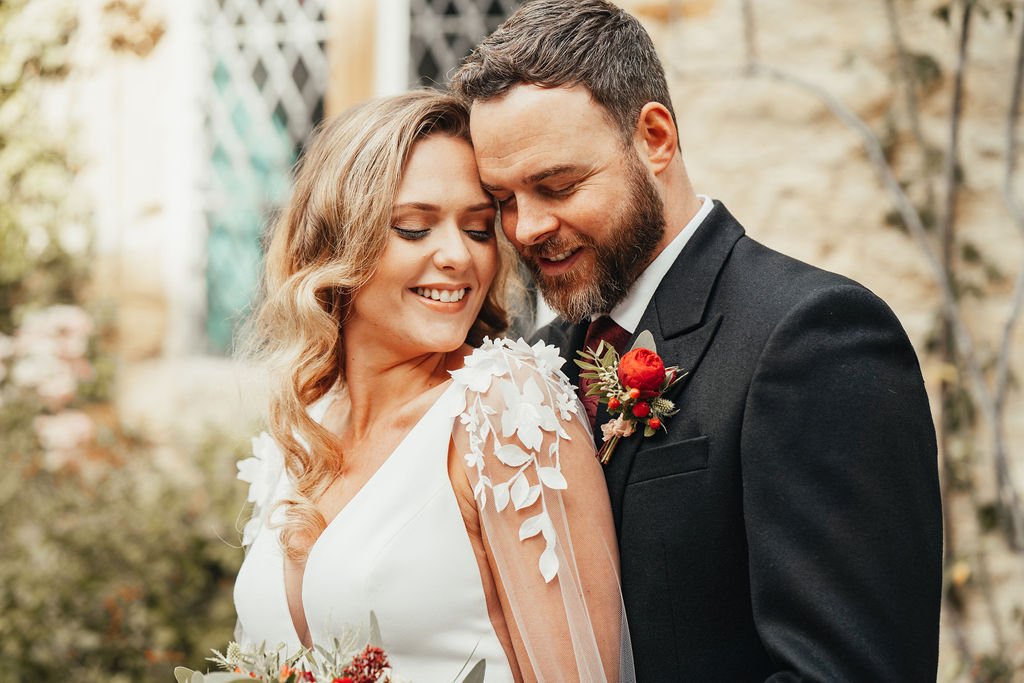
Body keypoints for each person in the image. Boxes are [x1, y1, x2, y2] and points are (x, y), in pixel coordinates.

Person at [450, 1, 943, 680]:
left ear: (655, 137)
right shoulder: (537, 370)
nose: (526, 227)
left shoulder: (815, 337)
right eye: (503, 200)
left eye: (556, 185)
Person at [231, 91, 630, 681]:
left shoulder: (505, 407)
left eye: (477, 229)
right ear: (338, 244)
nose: (458, 257)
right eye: (415, 229)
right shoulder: (305, 426)